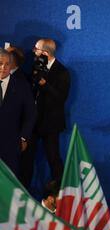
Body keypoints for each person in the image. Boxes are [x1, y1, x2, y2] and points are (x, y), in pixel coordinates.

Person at [21, 38, 71, 188]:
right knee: (26, 159)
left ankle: (61, 193)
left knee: (53, 158)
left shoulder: (62, 72)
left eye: (36, 49)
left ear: (45, 52)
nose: (33, 51)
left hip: (51, 124)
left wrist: (44, 84)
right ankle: (23, 191)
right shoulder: (36, 67)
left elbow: (61, 98)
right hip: (34, 122)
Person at [0, 49, 36, 177]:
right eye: (0, 63)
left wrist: (23, 137)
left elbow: (31, 114)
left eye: (7, 64)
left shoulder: (21, 86)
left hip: (10, 144)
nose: (3, 67)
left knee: (9, 181)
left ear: (11, 65)